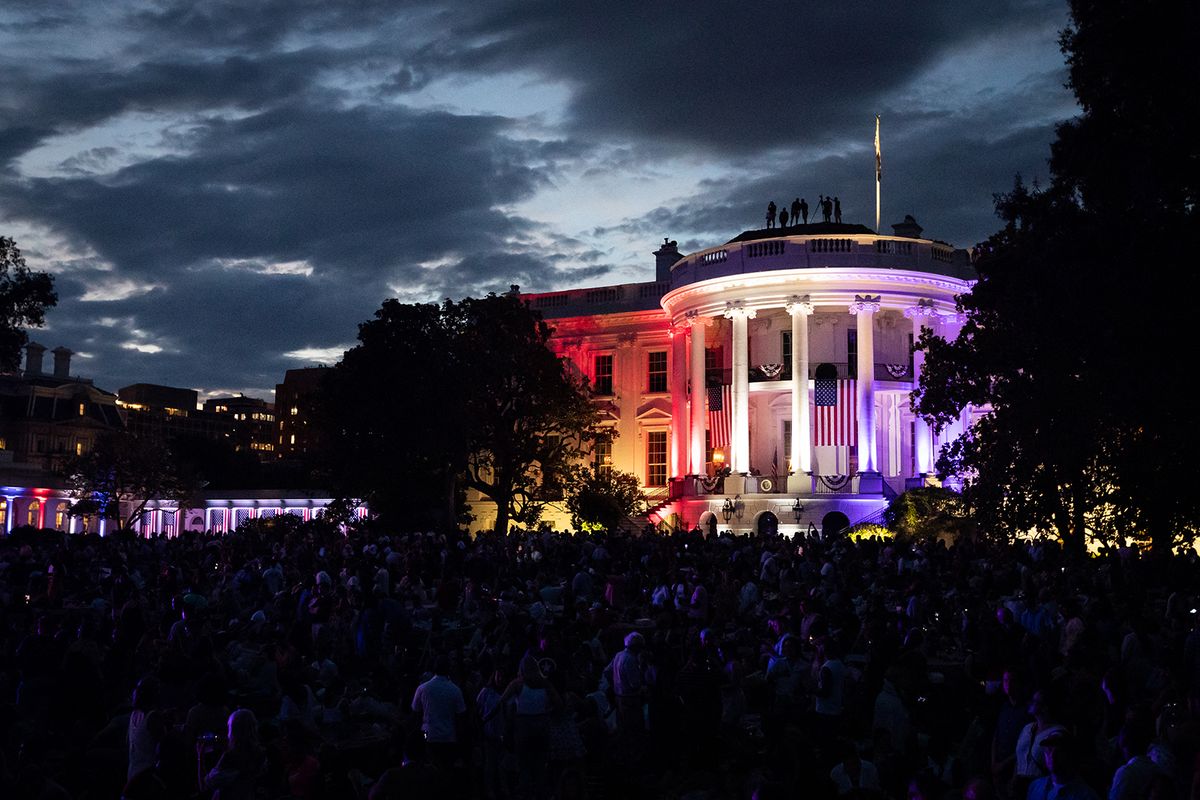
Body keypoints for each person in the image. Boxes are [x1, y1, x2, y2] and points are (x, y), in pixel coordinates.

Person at [411, 655, 467, 770]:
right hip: (448, 736)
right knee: (446, 770)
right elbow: (461, 717)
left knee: (430, 769)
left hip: (428, 734)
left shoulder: (422, 688)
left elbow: (415, 713)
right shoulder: (455, 690)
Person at [201, 709, 265, 800]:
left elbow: (206, 785)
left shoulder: (230, 756)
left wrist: (200, 756)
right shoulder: (260, 753)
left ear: (233, 730)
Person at [606, 632, 646, 733]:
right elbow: (635, 684)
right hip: (630, 699)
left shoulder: (619, 655)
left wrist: (615, 685)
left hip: (619, 697)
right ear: (637, 646)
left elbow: (607, 671)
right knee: (634, 729)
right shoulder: (631, 659)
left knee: (624, 728)